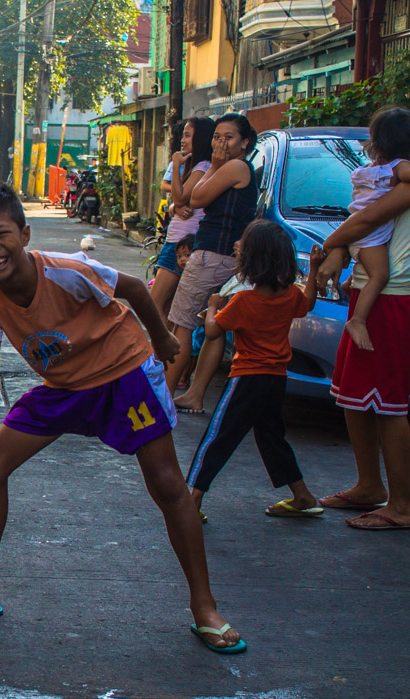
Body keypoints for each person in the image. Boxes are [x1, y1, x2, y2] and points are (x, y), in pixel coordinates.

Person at [0, 182, 246, 655]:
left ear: (24, 233)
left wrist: (163, 341)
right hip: (65, 387)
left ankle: (205, 607)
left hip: (124, 375)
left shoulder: (67, 270)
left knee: (168, 486)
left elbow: (132, 287)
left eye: (1, 234)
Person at [185, 220, 323, 519]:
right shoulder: (289, 295)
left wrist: (212, 306)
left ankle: (191, 501)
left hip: (247, 377)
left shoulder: (244, 299)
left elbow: (212, 332)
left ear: (250, 260)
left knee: (219, 436)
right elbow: (308, 304)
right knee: (271, 436)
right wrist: (313, 270)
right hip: (275, 378)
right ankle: (302, 496)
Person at [314, 106, 410, 532]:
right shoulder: (386, 177)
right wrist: (338, 248)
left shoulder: (403, 180)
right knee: (357, 395)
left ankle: (402, 504)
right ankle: (370, 485)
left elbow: (368, 219)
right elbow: (362, 218)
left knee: (389, 403)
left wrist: (330, 245)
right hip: (371, 289)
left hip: (393, 295)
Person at [165, 113, 259, 392]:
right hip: (222, 255)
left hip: (212, 254)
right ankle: (194, 395)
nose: (220, 143)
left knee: (182, 324)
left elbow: (196, 198)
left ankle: (164, 393)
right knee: (212, 329)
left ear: (245, 143)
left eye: (228, 138)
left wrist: (214, 165)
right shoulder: (237, 167)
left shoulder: (235, 167)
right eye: (217, 137)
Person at [314, 107, 410, 351]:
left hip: (384, 287)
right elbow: (366, 220)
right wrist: (334, 245)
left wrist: (336, 245)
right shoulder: (399, 174)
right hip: (392, 293)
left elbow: (362, 218)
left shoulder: (373, 170)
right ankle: (358, 319)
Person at [151, 118, 214, 320]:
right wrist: (174, 206)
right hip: (179, 241)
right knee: (167, 306)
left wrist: (177, 164)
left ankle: (160, 349)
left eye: (187, 135)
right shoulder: (198, 166)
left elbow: (180, 196)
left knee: (155, 303)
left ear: (200, 139)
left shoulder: (202, 166)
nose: (183, 141)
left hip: (183, 242)